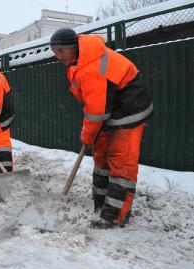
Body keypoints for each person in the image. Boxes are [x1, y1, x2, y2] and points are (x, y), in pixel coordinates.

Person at [49, 28, 153, 228]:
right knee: (101, 155)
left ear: (72, 47)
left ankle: (115, 215)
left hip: (130, 108)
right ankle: (99, 204)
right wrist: (93, 134)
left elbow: (96, 111)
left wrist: (87, 135)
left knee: (121, 160)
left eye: (61, 50)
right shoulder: (79, 61)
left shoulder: (91, 66)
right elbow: (95, 106)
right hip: (111, 108)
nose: (57, 56)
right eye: (55, 51)